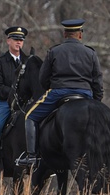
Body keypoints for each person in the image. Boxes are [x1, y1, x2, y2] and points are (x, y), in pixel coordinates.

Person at [17, 19, 104, 169]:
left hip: (59, 92)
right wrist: (97, 101)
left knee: (30, 117)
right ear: (80, 35)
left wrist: (51, 88)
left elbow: (43, 78)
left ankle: (32, 157)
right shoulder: (90, 53)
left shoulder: (54, 51)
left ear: (65, 34)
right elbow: (97, 81)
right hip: (84, 93)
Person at [0, 25, 32, 173]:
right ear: (8, 41)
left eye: (21, 40)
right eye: (15, 39)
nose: (19, 42)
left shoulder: (29, 61)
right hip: (5, 103)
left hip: (26, 103)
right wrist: (14, 94)